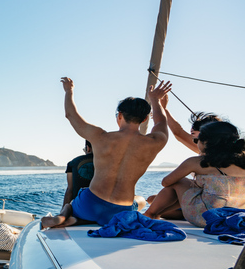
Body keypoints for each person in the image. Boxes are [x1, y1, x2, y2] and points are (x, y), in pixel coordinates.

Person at [41, 77, 172, 228]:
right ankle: (77, 220)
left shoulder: (100, 137)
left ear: (120, 115)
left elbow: (71, 115)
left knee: (72, 203)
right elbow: (161, 122)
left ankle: (65, 216)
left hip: (90, 204)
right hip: (120, 210)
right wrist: (156, 100)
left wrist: (69, 91)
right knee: (138, 201)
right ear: (144, 120)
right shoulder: (155, 142)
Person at [143, 121, 245, 226]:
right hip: (235, 219)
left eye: (197, 140)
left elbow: (166, 182)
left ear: (206, 142)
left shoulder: (197, 162)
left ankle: (149, 214)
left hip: (205, 218)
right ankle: (155, 213)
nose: (196, 143)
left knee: (179, 182)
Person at [63, 140, 94, 207]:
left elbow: (70, 190)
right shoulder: (108, 163)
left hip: (79, 206)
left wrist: (63, 211)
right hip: (102, 207)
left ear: (88, 148)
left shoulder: (73, 163)